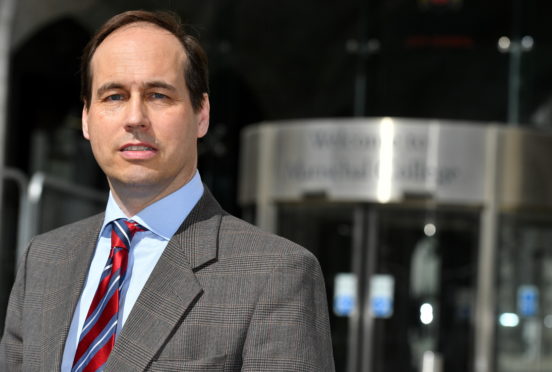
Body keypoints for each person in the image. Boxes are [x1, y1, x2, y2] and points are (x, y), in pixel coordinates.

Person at [0, 10, 335, 372]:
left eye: (158, 95)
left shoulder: (276, 274)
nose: (135, 117)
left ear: (201, 114)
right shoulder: (44, 260)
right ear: (86, 117)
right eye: (113, 96)